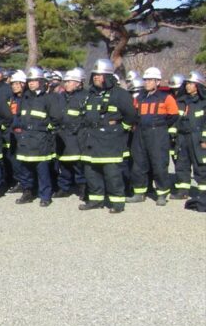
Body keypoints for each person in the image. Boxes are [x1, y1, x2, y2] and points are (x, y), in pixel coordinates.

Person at [79, 59, 137, 213]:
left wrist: (121, 128)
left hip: (110, 141)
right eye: (95, 75)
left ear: (108, 76)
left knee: (112, 174)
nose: (97, 77)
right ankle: (96, 199)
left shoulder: (120, 94)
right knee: (91, 172)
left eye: (100, 75)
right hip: (90, 140)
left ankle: (117, 202)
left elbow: (131, 115)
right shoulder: (90, 94)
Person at [127, 67, 179, 206]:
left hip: (157, 133)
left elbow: (174, 115)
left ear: (157, 81)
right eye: (146, 80)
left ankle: (162, 194)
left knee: (159, 163)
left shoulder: (166, 97)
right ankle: (139, 192)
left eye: (150, 80)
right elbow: (134, 114)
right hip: (140, 133)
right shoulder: (140, 97)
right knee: (138, 163)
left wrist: (161, 125)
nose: (147, 82)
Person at [15, 67, 58, 207]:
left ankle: (45, 195)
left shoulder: (48, 98)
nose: (31, 83)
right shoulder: (24, 98)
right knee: (25, 169)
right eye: (30, 81)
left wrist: (46, 131)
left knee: (42, 170)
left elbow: (55, 119)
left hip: (40, 139)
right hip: (25, 138)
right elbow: (19, 116)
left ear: (41, 82)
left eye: (34, 81)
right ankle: (28, 192)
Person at [172, 71, 206, 209]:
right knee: (181, 164)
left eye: (191, 83)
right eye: (187, 83)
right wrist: (173, 135)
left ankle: (203, 191)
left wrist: (204, 138)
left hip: (197, 138)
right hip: (182, 137)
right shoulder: (181, 101)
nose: (187, 86)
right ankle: (182, 191)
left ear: (197, 85)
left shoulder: (203, 102)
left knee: (201, 165)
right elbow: (175, 119)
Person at [53, 68, 88, 199]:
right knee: (64, 164)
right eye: (66, 81)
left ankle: (83, 188)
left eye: (70, 81)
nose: (66, 84)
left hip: (77, 135)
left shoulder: (85, 96)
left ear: (79, 83)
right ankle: (64, 187)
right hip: (62, 135)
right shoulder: (60, 97)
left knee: (79, 165)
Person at [5, 70, 27, 193]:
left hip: (24, 134)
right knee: (13, 158)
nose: (14, 86)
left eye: (16, 84)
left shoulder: (27, 98)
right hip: (12, 133)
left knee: (24, 160)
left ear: (23, 84)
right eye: (12, 84)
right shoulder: (12, 99)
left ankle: (27, 183)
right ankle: (19, 181)